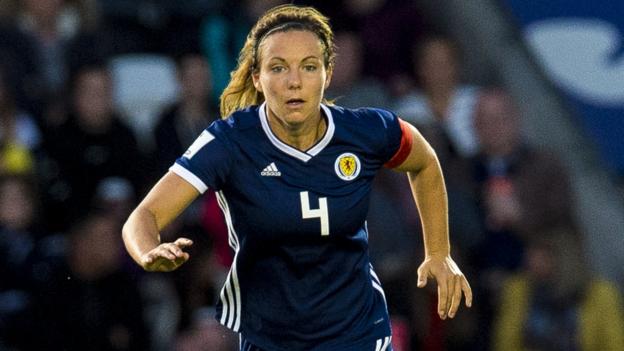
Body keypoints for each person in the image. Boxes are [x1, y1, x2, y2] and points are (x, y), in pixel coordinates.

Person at [122, 5, 471, 350]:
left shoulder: (367, 130)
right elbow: (143, 217)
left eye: (308, 67)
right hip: (270, 339)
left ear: (327, 73)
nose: (294, 82)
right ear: (257, 77)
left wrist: (438, 251)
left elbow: (424, 162)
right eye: (278, 68)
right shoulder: (229, 142)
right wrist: (148, 250)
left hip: (359, 334)